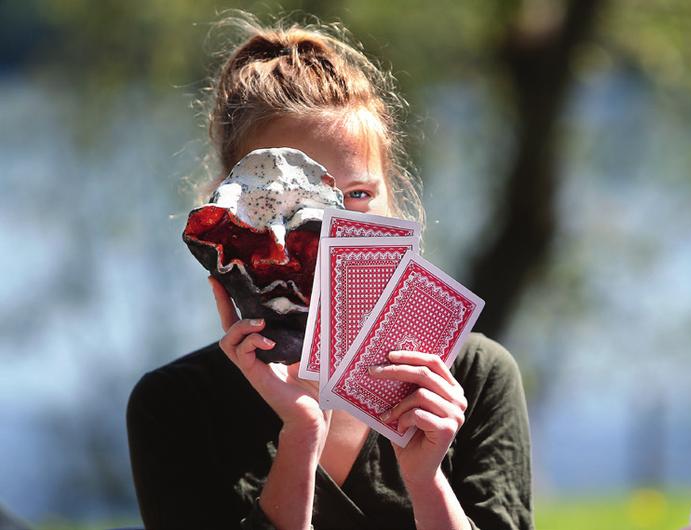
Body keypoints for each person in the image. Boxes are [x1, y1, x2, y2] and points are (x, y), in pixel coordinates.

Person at [127, 15, 533, 530]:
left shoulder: (473, 377)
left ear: (394, 201)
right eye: (293, 200)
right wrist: (300, 434)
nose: (330, 227)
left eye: (357, 195)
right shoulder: (177, 405)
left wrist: (428, 479)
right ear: (230, 215)